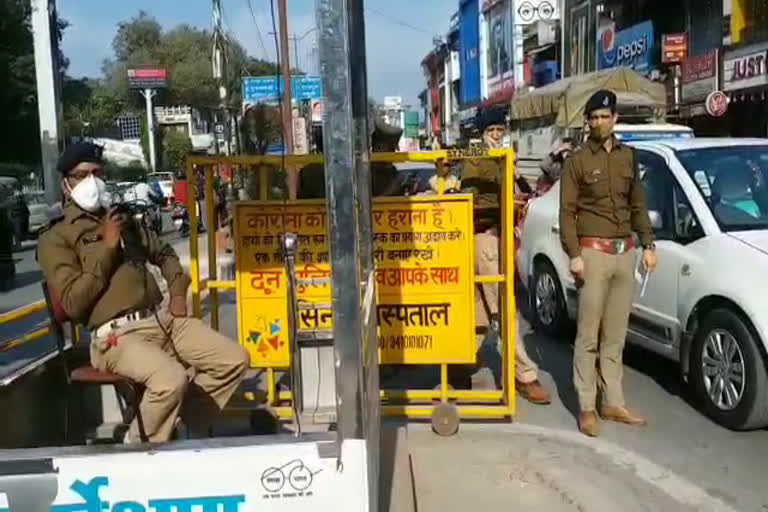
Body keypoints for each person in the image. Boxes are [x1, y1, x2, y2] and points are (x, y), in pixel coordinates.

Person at [37, 142, 249, 443]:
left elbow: (165, 255)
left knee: (234, 359)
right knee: (171, 379)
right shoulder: (57, 236)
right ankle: (136, 449)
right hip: (115, 337)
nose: (92, 182)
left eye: (97, 173)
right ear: (66, 184)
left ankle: (175, 419)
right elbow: (72, 303)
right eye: (82, 175)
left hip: (162, 320)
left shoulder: (123, 220)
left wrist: (177, 293)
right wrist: (107, 248)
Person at [559, 90, 657, 437]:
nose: (599, 122)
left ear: (615, 118)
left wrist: (647, 243)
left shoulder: (629, 156)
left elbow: (638, 204)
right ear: (588, 122)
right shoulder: (577, 161)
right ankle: (586, 406)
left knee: (615, 335)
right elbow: (567, 212)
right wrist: (573, 255)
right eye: (593, 117)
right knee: (588, 334)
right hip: (593, 254)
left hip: (624, 252)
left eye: (604, 116)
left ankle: (612, 401)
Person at [461, 111, 550, 404]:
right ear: (483, 132)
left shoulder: (504, 157)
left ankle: (460, 359)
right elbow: (474, 197)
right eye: (493, 129)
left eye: (501, 128)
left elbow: (522, 188)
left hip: (496, 237)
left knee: (480, 309)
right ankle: (524, 374)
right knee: (504, 307)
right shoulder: (478, 158)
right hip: (486, 236)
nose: (498, 134)